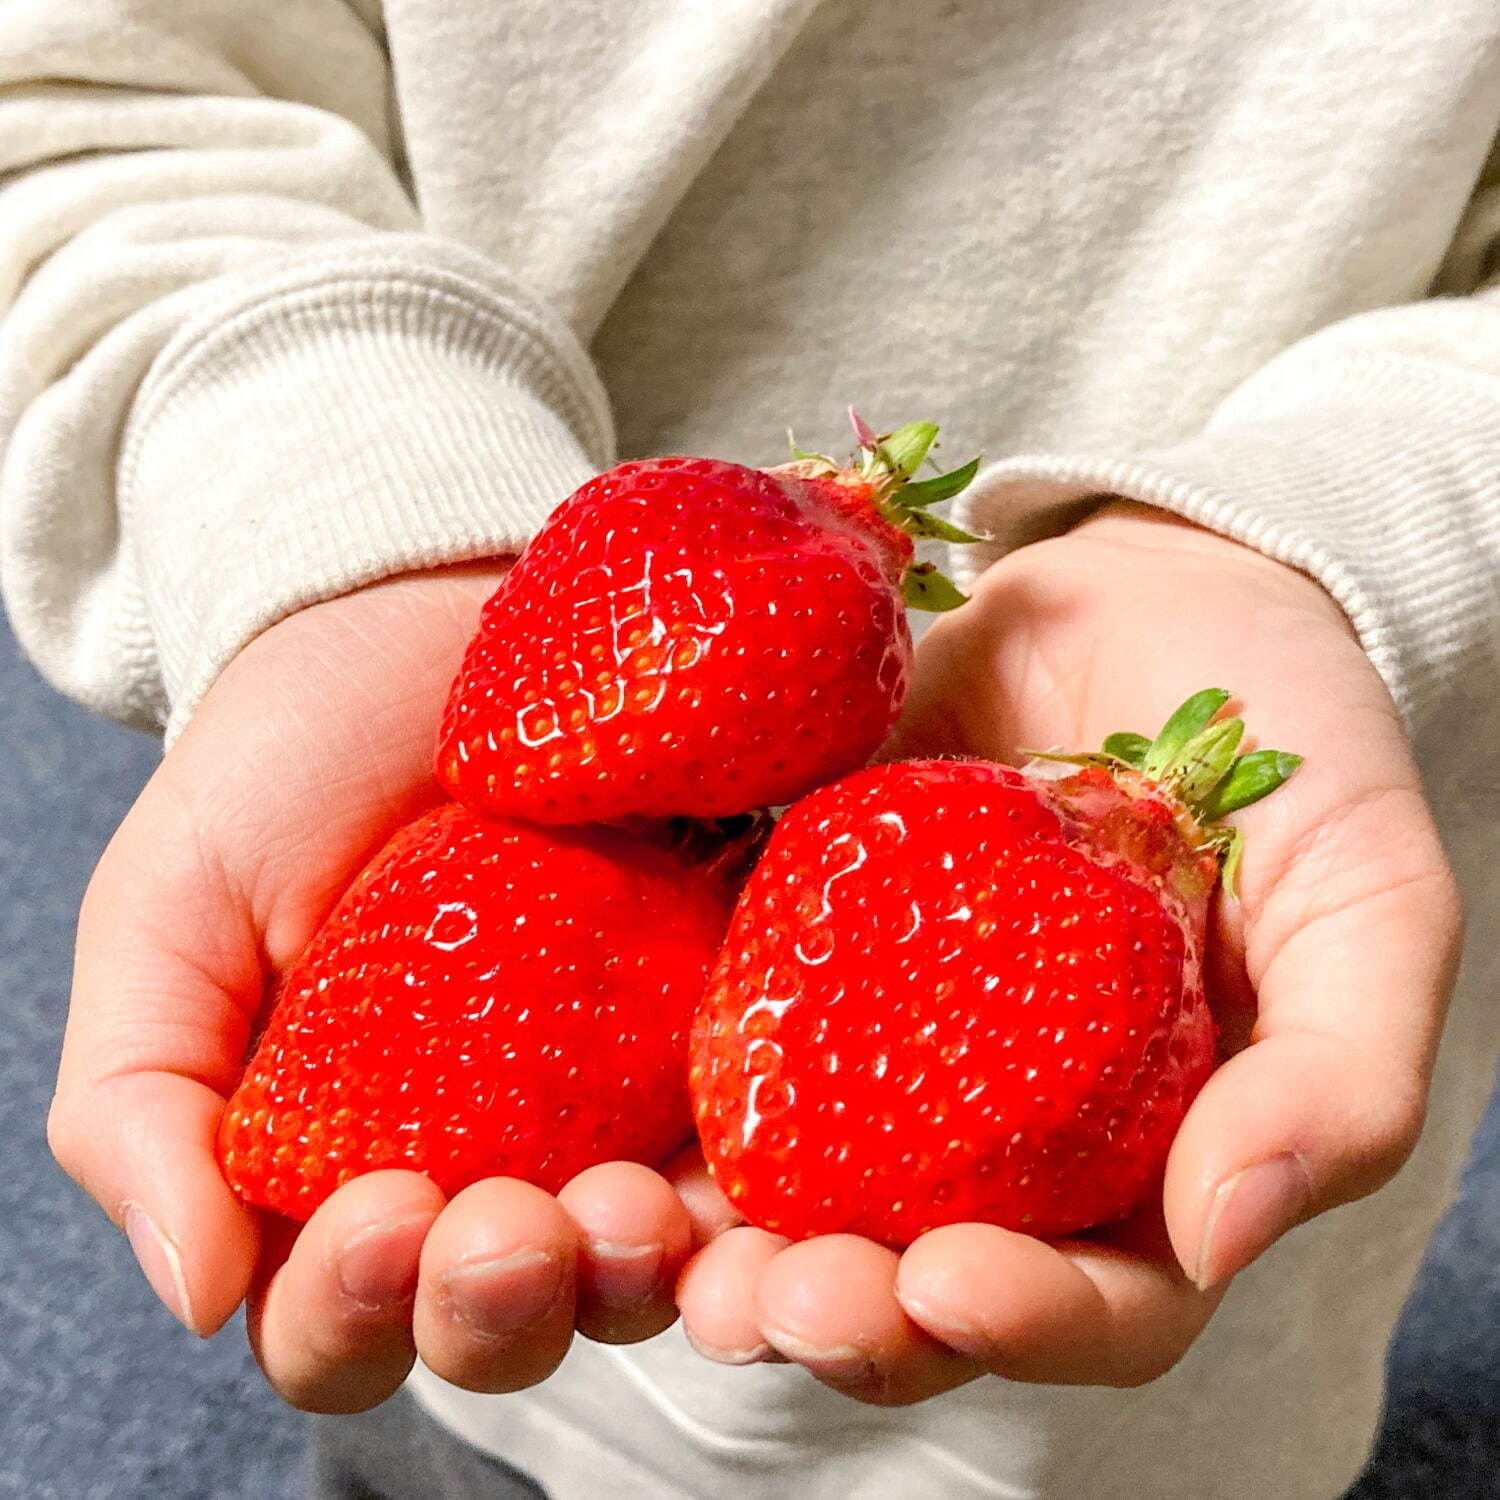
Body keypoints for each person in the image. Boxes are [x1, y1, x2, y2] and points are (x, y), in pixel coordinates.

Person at [6, 2, 1497, 1496]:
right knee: (445, 1377)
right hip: (506, 1284)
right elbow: (94, 96)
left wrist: (1304, 542)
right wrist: (350, 519)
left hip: (1181, 1255)